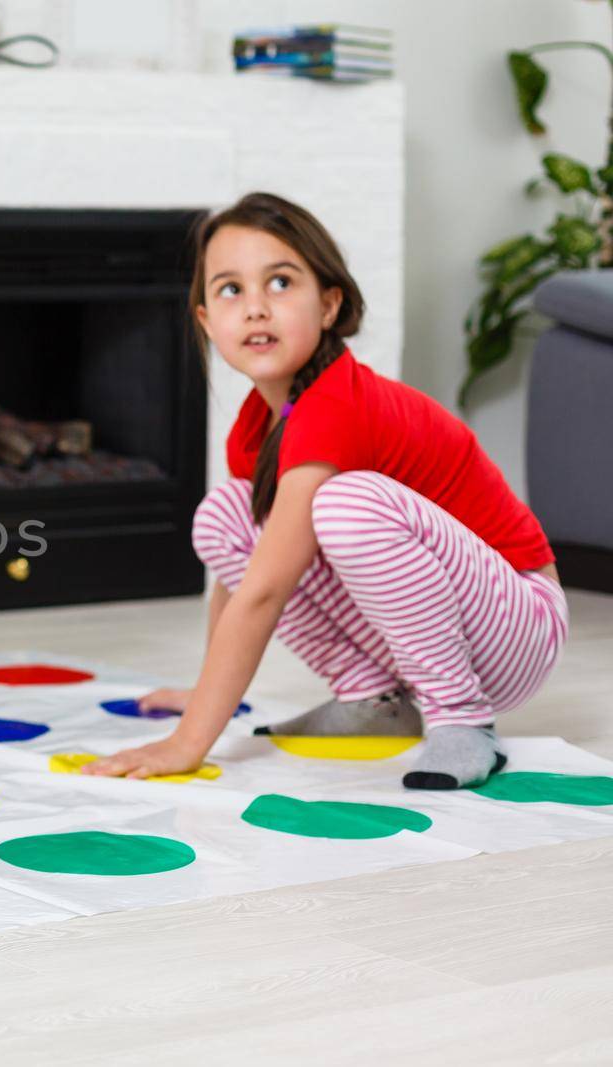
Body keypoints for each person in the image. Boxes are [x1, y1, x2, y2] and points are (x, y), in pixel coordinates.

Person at [82, 192, 567, 790]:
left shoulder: (336, 405)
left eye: (280, 283)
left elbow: (265, 593)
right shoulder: (259, 426)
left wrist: (189, 743)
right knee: (226, 516)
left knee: (344, 504)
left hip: (516, 626)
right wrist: (206, 692)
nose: (256, 308)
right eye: (231, 290)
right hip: (434, 632)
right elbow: (243, 577)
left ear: (330, 304)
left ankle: (462, 720)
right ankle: (374, 703)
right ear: (206, 319)